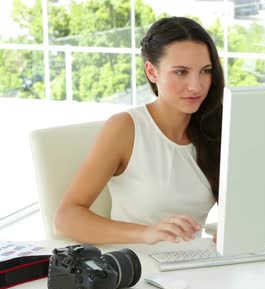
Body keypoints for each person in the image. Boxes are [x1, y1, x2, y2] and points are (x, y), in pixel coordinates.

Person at [55, 17, 224, 245]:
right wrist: (146, 233)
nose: (196, 85)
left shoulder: (215, 128)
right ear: (152, 72)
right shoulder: (125, 128)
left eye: (205, 71)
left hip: (194, 266)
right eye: (181, 72)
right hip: (137, 268)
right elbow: (67, 217)